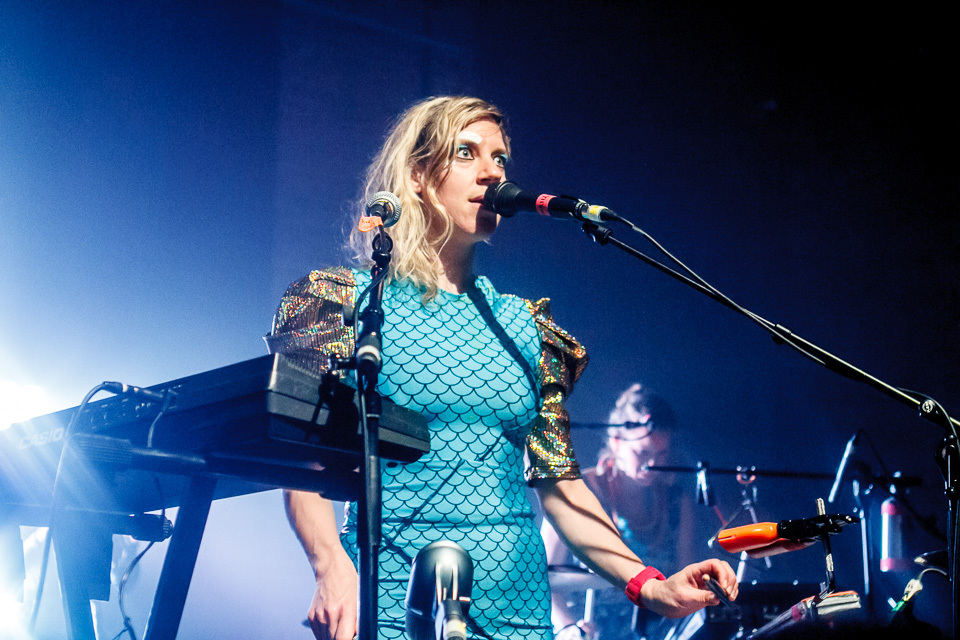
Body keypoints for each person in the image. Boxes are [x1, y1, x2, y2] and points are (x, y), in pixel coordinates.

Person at [264, 96, 738, 640]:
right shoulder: (343, 302)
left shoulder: (526, 327)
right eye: (466, 153)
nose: (492, 172)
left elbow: (559, 486)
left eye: (501, 159)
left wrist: (650, 585)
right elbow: (300, 463)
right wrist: (330, 569)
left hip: (518, 611)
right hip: (391, 603)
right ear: (418, 175)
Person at [541, 383, 703, 640]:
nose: (653, 464)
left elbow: (686, 578)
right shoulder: (578, 492)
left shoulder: (676, 503)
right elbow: (542, 578)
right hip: (584, 633)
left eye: (662, 454)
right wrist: (568, 628)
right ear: (616, 442)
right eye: (643, 453)